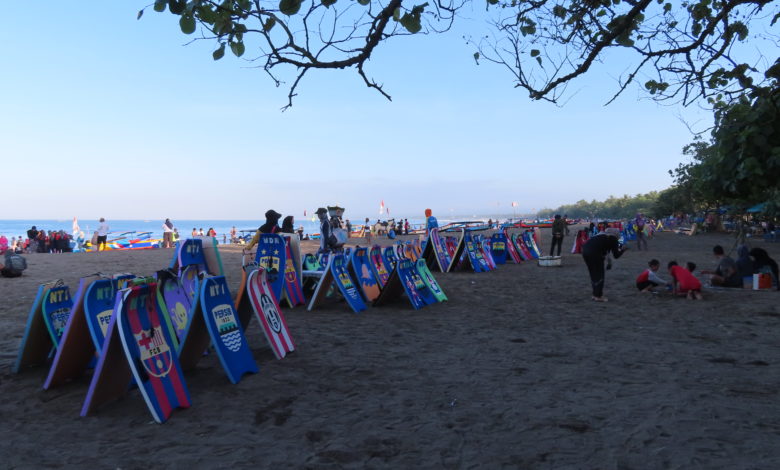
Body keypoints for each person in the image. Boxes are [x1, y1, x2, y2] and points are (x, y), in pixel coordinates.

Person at [581, 227, 628, 302]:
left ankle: (595, 294)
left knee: (593, 273)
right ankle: (598, 296)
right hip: (595, 254)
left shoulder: (600, 235)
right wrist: (623, 250)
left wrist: (609, 263)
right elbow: (616, 255)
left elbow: (606, 252)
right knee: (600, 274)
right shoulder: (613, 238)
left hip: (585, 251)